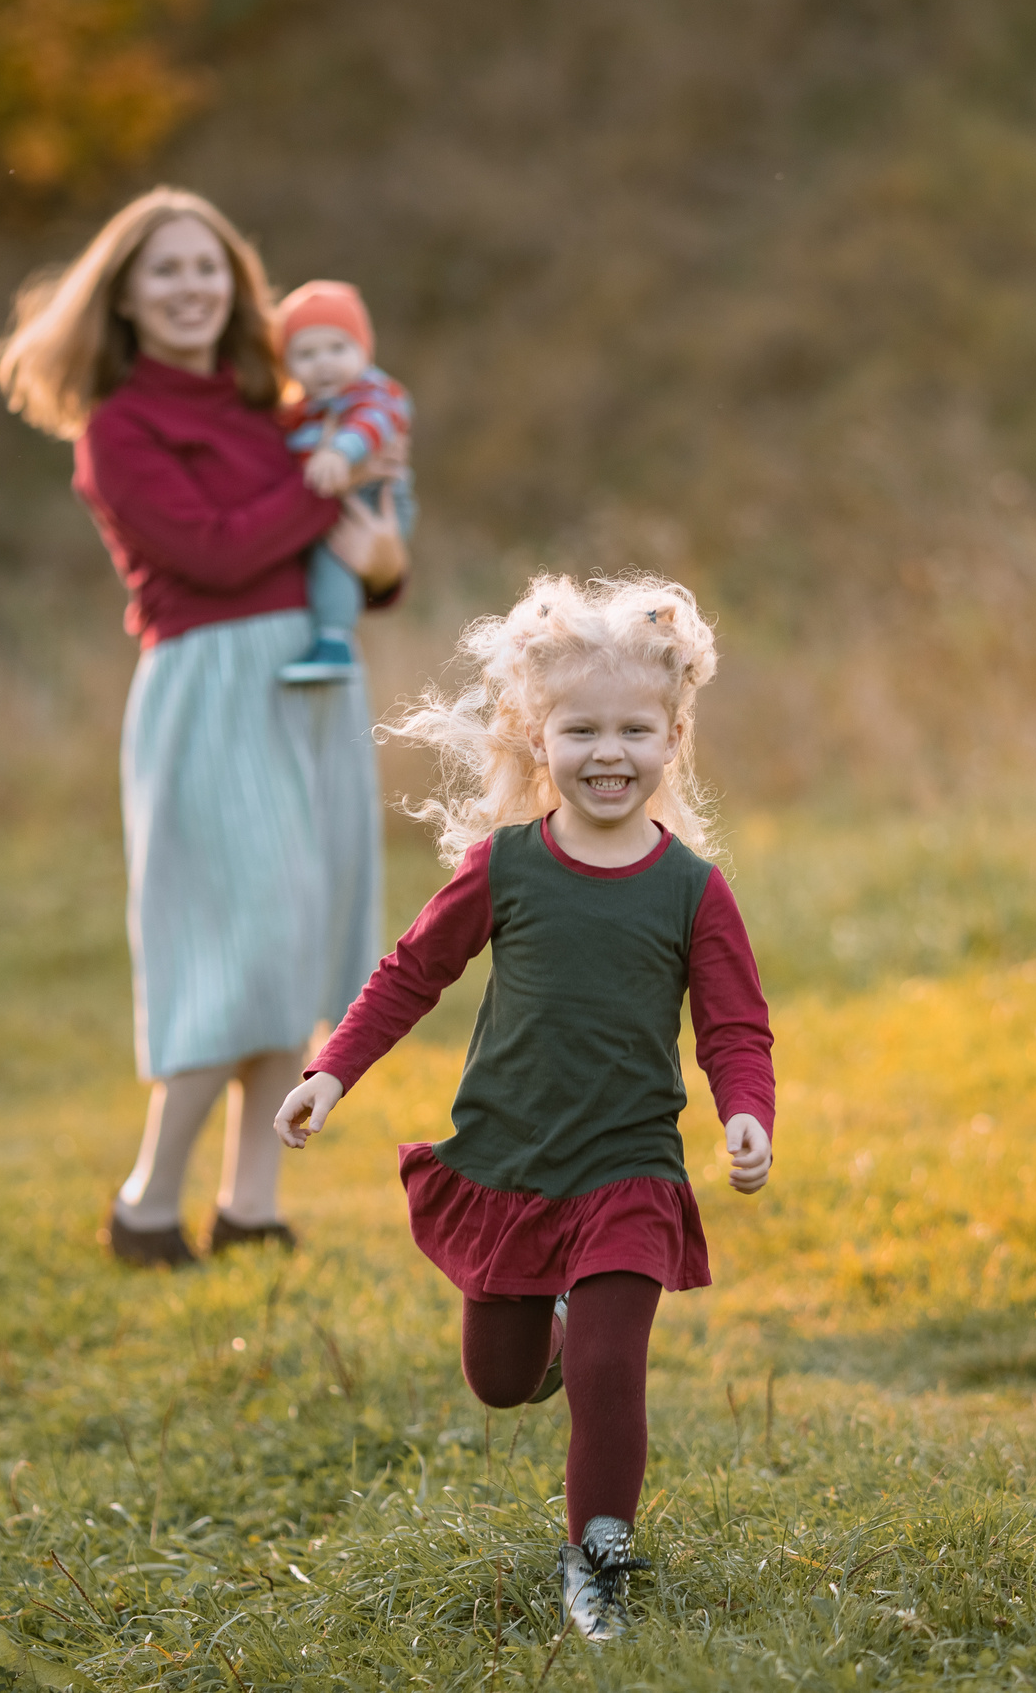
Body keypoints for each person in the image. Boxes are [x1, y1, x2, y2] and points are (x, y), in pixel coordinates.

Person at [272, 573, 776, 1642]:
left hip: (630, 1169)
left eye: (634, 729)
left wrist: (747, 1111)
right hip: (511, 1163)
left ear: (673, 737)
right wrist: (331, 1071)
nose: (608, 752)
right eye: (580, 729)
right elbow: (410, 973)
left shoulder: (693, 888)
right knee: (501, 1381)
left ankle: (599, 1558)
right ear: (537, 738)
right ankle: (548, 1324)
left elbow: (734, 1025)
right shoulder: (504, 868)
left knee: (608, 1371)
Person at [0, 187, 408, 1267]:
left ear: (237, 286)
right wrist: (331, 485)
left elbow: (358, 547)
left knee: (304, 942)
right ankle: (146, 1202)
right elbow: (217, 553)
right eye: (166, 270)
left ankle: (250, 1206)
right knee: (243, 949)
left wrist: (382, 559)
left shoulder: (276, 401)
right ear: (125, 295)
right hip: (212, 684)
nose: (190, 287)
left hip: (316, 679)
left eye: (208, 267)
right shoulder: (119, 428)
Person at [270, 280, 417, 684]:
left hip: (375, 504)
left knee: (331, 559)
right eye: (306, 354)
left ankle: (334, 642)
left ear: (363, 351)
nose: (324, 363)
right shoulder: (299, 410)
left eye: (338, 348)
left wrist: (340, 452)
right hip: (332, 507)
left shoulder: (373, 391)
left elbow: (375, 421)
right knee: (318, 561)